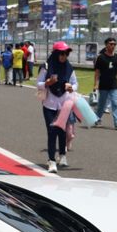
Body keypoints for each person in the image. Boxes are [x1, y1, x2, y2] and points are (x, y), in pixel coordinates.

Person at [37, 41, 78, 173]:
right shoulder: (46, 66)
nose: (63, 56)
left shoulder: (69, 67)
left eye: (66, 53)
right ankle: (51, 160)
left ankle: (62, 155)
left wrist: (71, 87)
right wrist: (48, 82)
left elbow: (75, 83)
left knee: (62, 131)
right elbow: (38, 84)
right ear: (55, 53)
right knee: (51, 131)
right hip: (49, 103)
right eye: (61, 53)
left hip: (64, 104)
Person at [92, 37, 117, 130]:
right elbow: (97, 72)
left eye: (114, 44)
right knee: (101, 105)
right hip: (103, 84)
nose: (113, 46)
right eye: (111, 44)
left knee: (115, 103)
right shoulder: (101, 57)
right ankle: (96, 119)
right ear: (106, 45)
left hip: (114, 84)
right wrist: (95, 84)